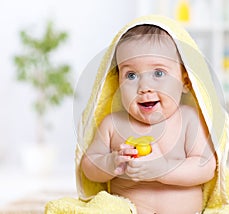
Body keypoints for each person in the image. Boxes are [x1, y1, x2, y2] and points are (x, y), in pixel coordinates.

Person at [80, 24, 217, 213]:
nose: (144, 86)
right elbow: (88, 166)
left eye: (158, 73)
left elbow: (206, 167)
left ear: (185, 81)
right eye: (131, 75)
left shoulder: (188, 119)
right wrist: (111, 163)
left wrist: (163, 169)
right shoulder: (112, 124)